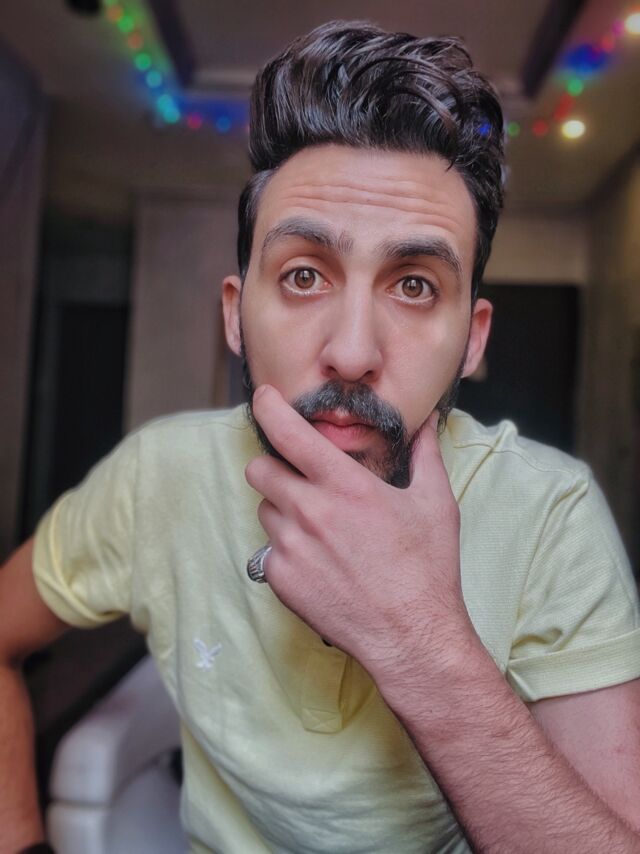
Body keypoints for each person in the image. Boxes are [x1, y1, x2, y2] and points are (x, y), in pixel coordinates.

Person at [1, 19, 640, 854]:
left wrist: (419, 639)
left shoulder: (551, 513)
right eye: (304, 275)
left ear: (473, 340)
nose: (352, 351)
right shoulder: (159, 475)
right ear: (236, 316)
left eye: (415, 285)